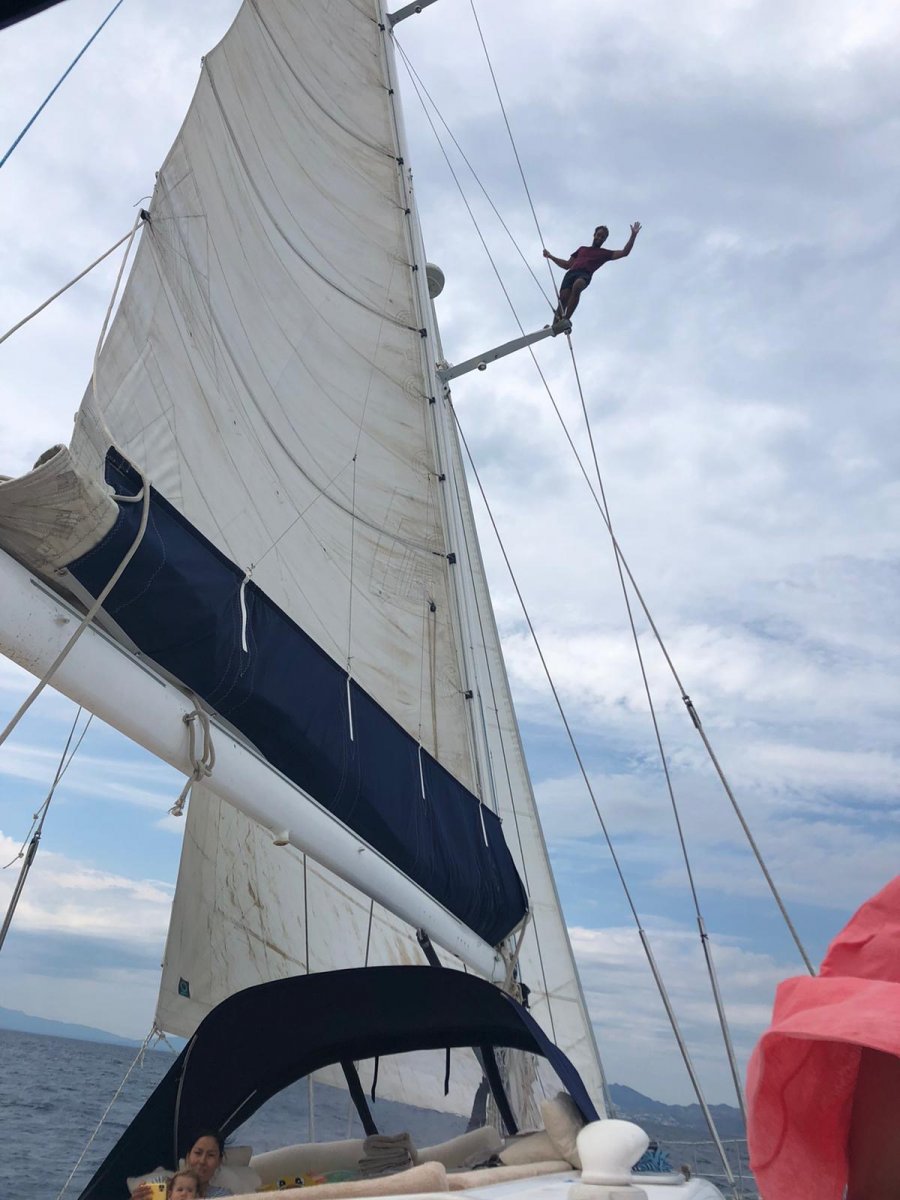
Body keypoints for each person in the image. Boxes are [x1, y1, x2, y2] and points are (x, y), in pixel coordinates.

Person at [543, 222, 641, 324]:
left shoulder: (604, 253)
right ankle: (554, 326)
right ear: (594, 235)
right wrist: (550, 256)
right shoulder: (582, 249)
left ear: (604, 240)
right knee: (563, 299)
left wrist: (633, 236)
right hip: (571, 274)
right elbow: (567, 265)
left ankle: (566, 319)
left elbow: (624, 252)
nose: (600, 238)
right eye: (598, 235)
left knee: (578, 286)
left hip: (584, 274)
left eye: (603, 237)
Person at [131, 1132, 232, 1199]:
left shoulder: (222, 1196)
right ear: (188, 1157)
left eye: (211, 1155)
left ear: (219, 1161)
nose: (202, 1161)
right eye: (198, 1153)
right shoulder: (162, 1184)